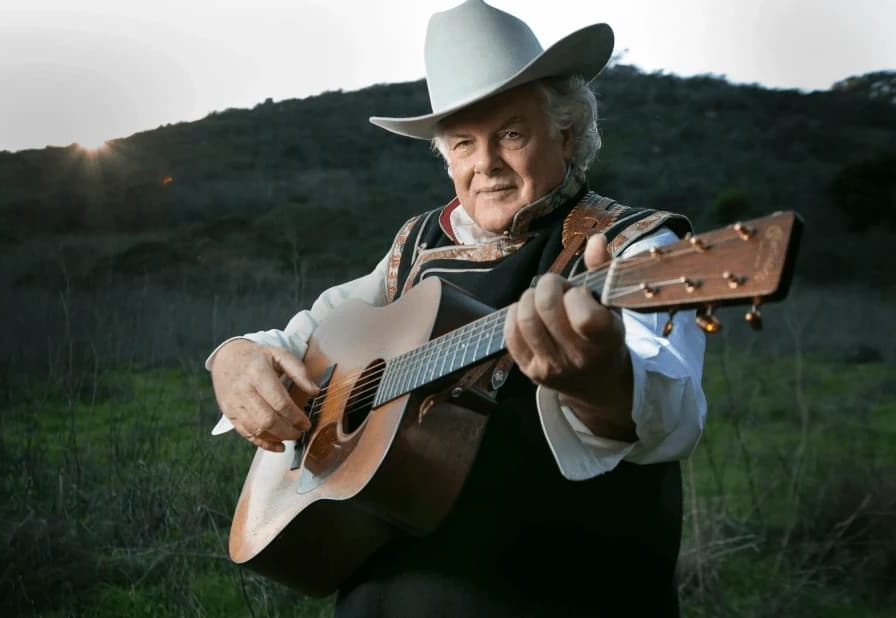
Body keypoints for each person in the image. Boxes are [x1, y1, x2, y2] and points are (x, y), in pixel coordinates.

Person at [206, 1, 707, 615]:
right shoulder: (416, 244)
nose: (486, 163)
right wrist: (234, 358)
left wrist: (599, 380)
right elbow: (308, 335)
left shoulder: (637, 247)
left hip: (563, 592)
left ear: (568, 132)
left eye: (512, 135)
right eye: (464, 143)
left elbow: (671, 416)